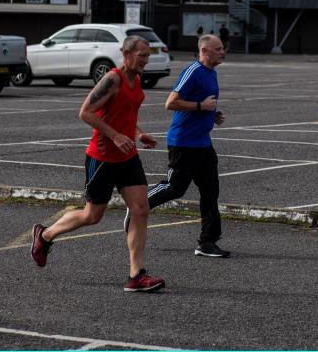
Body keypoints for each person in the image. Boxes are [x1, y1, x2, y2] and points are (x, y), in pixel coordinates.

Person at [31, 35, 165, 293]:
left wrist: (137, 134)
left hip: (127, 156)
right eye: (143, 56)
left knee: (140, 209)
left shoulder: (135, 80)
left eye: (148, 56)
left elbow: (123, 113)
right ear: (127, 54)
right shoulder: (112, 79)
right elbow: (86, 112)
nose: (146, 61)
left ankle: (136, 274)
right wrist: (115, 135)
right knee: (92, 215)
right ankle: (45, 235)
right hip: (102, 158)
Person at [129, 34, 230, 258]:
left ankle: (207, 242)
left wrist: (212, 114)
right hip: (183, 143)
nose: (223, 52)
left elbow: (203, 104)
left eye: (223, 48)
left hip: (203, 143)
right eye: (218, 48)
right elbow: (171, 102)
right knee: (175, 188)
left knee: (210, 191)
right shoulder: (192, 71)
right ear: (204, 51)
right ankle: (137, 206)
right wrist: (200, 106)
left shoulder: (211, 73)